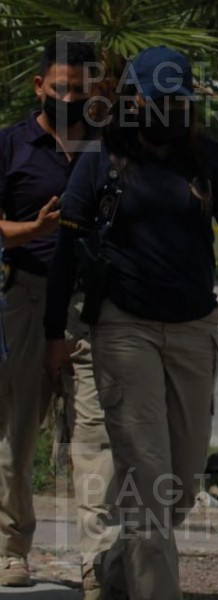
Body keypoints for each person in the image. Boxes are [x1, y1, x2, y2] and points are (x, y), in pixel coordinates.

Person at [42, 46, 218, 600]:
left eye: (178, 99)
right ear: (131, 99)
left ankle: (110, 572)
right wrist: (53, 334)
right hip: (122, 329)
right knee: (149, 482)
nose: (169, 109)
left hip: (192, 330)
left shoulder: (205, 156)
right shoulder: (101, 155)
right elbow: (67, 248)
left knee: (179, 486)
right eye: (158, 99)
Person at [0, 40, 115, 595]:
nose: (70, 96)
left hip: (91, 308)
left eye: (81, 87)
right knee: (17, 432)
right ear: (39, 86)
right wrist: (36, 231)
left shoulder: (109, 146)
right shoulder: (10, 146)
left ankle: (96, 562)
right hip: (26, 297)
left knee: (94, 439)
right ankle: (9, 550)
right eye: (61, 86)